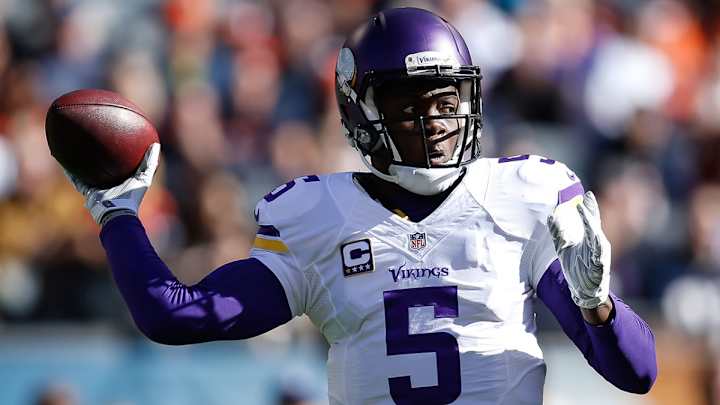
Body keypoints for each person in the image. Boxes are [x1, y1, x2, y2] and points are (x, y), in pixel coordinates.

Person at [65, 7, 657, 405]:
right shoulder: (317, 218)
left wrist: (598, 306)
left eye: (446, 100)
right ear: (359, 113)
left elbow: (637, 373)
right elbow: (174, 316)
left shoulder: (524, 196)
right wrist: (117, 213)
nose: (435, 121)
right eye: (409, 105)